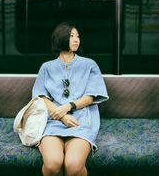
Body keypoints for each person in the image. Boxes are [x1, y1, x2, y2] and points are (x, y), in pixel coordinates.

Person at [32, 21, 109, 176]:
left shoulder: (89, 65)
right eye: (71, 36)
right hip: (53, 121)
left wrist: (69, 107)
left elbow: (90, 97)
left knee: (73, 166)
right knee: (53, 164)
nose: (76, 40)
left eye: (77, 36)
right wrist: (63, 117)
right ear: (61, 38)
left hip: (81, 121)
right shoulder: (47, 67)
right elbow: (41, 97)